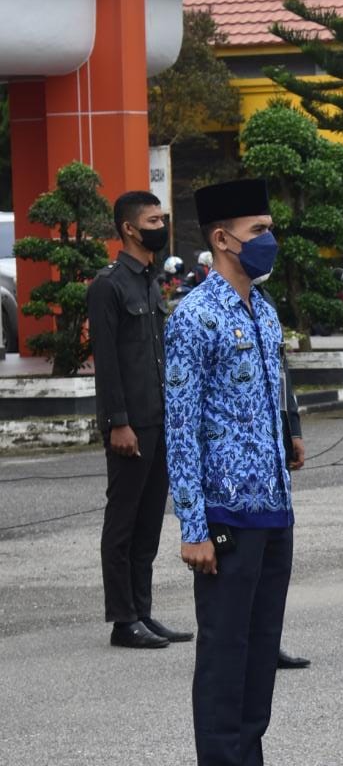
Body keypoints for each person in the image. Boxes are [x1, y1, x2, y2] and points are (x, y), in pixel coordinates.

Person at [164, 178, 303, 766]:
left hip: (272, 506)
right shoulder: (194, 315)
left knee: (257, 656)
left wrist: (290, 432)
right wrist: (192, 524)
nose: (268, 240)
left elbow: (272, 395)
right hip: (223, 512)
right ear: (221, 240)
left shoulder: (263, 308)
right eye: (257, 230)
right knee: (224, 657)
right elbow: (180, 425)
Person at [87, 190, 193, 649]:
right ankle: (122, 618)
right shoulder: (108, 285)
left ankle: (144, 612)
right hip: (130, 423)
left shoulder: (150, 281)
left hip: (160, 417)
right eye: (153, 219)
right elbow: (107, 363)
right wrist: (117, 422)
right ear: (130, 228)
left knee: (149, 521)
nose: (161, 225)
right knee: (124, 521)